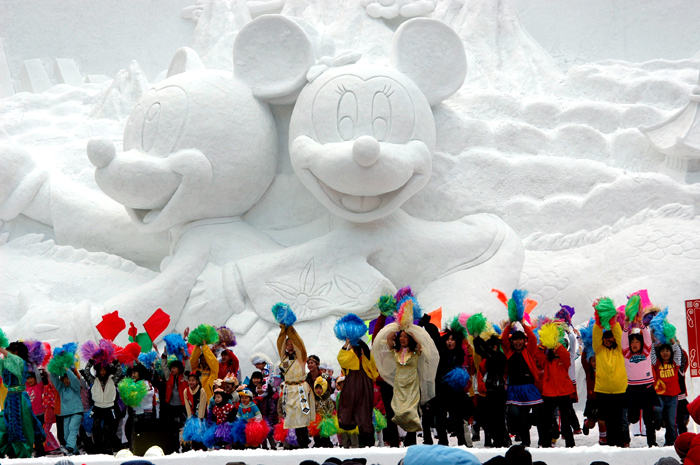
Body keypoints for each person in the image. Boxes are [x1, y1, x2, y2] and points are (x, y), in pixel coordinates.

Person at [372, 300, 439, 447]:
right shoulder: (396, 351)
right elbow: (388, 339)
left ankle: (411, 440)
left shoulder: (415, 352)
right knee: (397, 411)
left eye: (405, 337)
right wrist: (398, 326)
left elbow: (420, 345)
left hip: (412, 385)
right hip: (399, 385)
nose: (402, 339)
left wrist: (411, 331)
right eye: (401, 336)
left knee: (411, 411)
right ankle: (398, 440)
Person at [501, 322, 546, 447]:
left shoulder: (529, 350)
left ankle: (542, 440)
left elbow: (533, 338)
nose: (518, 342)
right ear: (512, 341)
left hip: (529, 387)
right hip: (514, 389)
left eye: (520, 339)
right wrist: (509, 324)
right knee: (516, 415)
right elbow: (503, 339)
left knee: (536, 417)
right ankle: (524, 439)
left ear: (524, 340)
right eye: (515, 340)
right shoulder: (509, 351)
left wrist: (522, 323)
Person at [0, 341, 45, 458]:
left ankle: (22, 452)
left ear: (15, 353)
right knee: (4, 423)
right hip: (10, 398)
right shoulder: (7, 362)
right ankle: (9, 450)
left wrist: (1, 349)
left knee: (21, 425)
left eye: (9, 353)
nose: (6, 355)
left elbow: (12, 359)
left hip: (19, 398)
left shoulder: (20, 362)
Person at [534, 331, 576, 448]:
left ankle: (570, 445)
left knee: (566, 421)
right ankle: (546, 444)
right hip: (549, 393)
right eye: (553, 348)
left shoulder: (565, 360)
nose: (556, 350)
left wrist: (556, 342)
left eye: (558, 347)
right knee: (547, 420)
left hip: (564, 392)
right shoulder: (546, 361)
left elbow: (565, 354)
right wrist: (543, 343)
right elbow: (537, 354)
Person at [592, 314, 628, 447]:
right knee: (606, 419)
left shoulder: (620, 350)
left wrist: (613, 322)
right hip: (603, 390)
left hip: (619, 389)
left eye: (610, 337)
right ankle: (610, 444)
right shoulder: (599, 350)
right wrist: (598, 322)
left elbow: (619, 335)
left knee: (618, 418)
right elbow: (596, 335)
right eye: (605, 337)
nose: (608, 340)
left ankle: (619, 443)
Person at [277, 322, 315, 447]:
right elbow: (280, 344)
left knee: (301, 417)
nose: (290, 346)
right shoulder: (284, 359)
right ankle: (292, 443)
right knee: (290, 418)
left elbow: (300, 345)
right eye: (287, 344)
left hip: (299, 389)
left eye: (292, 343)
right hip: (289, 389)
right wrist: (283, 330)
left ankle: (303, 441)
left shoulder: (301, 357)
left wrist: (290, 329)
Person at [435, 326, 472, 446]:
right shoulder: (440, 353)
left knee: (457, 418)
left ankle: (461, 442)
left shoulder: (460, 354)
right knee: (440, 418)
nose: (449, 342)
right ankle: (443, 442)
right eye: (447, 339)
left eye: (452, 339)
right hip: (442, 390)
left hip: (455, 392)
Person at [337, 338, 378, 447]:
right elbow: (341, 357)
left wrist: (359, 341)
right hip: (350, 391)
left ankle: (368, 444)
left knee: (364, 419)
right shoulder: (348, 363)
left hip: (364, 391)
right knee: (346, 418)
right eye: (349, 350)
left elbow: (366, 351)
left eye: (352, 349)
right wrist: (346, 343)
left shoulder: (365, 360)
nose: (350, 352)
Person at [622, 326, 658, 447]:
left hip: (647, 389)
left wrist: (642, 326)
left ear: (641, 343)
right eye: (632, 342)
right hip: (633, 390)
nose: (634, 344)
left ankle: (652, 443)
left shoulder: (646, 352)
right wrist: (625, 329)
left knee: (649, 419)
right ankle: (625, 439)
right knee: (632, 418)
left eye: (637, 341)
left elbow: (647, 339)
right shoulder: (626, 354)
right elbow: (624, 342)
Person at [473, 333, 508, 447]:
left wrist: (479, 339)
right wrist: (475, 339)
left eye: (489, 347)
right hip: (489, 390)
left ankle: (501, 440)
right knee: (486, 417)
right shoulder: (489, 357)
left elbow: (487, 351)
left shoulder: (500, 357)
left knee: (498, 417)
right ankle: (500, 439)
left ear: (495, 347)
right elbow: (479, 350)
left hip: (498, 391)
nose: (487, 350)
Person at [83, 358, 124, 454]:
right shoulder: (94, 380)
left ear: (108, 370)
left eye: (104, 370)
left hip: (109, 408)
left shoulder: (112, 380)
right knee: (96, 428)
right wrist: (91, 361)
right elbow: (86, 371)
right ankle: (98, 449)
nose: (102, 372)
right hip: (97, 408)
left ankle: (108, 449)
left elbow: (119, 370)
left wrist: (114, 360)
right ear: (98, 370)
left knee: (108, 429)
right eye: (101, 370)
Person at [652, 339, 682, 446]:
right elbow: (651, 353)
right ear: (659, 353)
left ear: (671, 352)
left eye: (667, 351)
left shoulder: (675, 363)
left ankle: (671, 442)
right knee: (657, 410)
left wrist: (673, 341)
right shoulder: (656, 363)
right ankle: (658, 423)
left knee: (671, 421)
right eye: (662, 351)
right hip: (659, 395)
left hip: (672, 396)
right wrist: (653, 342)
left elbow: (678, 353)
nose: (665, 353)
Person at [49, 367, 83, 455]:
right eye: (65, 379)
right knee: (66, 434)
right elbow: (54, 379)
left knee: (72, 429)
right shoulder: (61, 388)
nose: (67, 380)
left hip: (76, 412)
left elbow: (74, 379)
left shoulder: (75, 386)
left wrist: (67, 369)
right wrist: (53, 367)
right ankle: (75, 452)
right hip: (66, 413)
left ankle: (70, 448)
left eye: (68, 378)